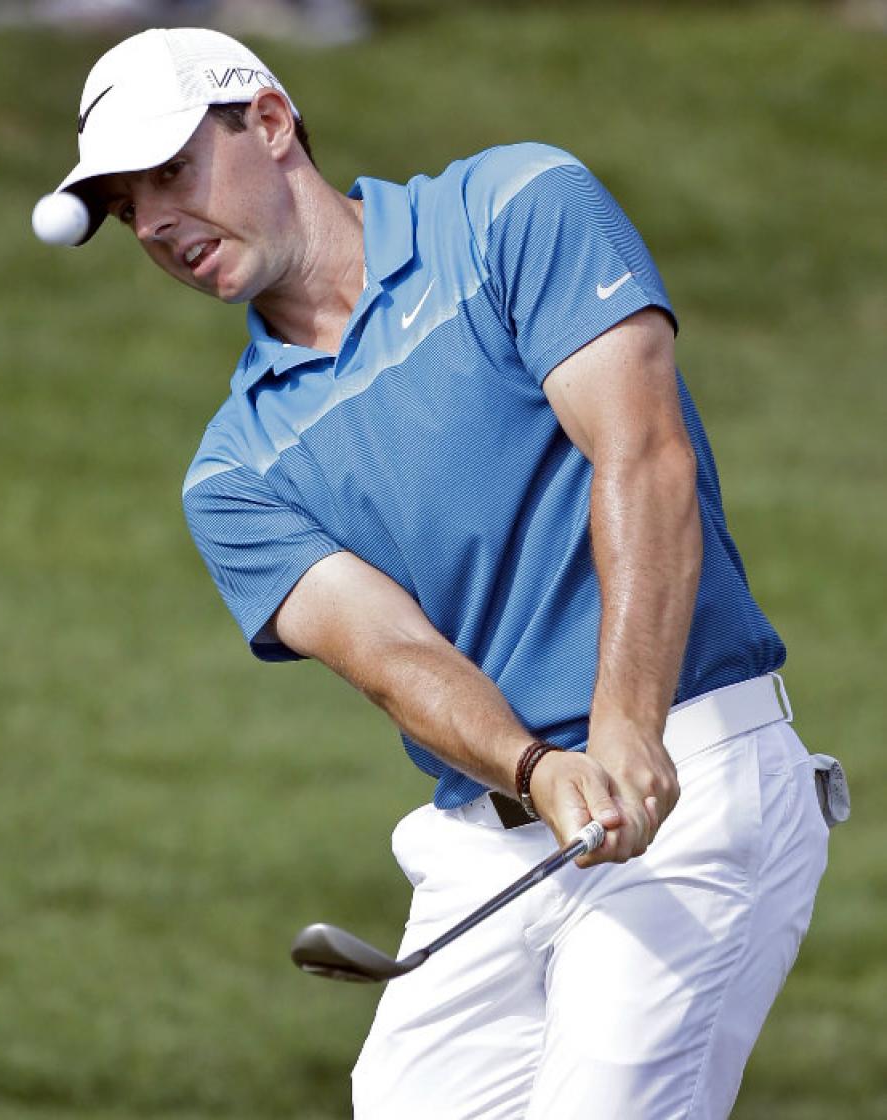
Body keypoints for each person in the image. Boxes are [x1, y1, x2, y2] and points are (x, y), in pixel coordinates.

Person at [41, 26, 847, 1119]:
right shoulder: (234, 471)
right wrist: (535, 769)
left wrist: (621, 727)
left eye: (173, 174)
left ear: (270, 121)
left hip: (687, 770)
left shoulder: (514, 208)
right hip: (491, 840)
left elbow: (640, 454)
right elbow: (394, 655)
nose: (160, 224)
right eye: (132, 210)